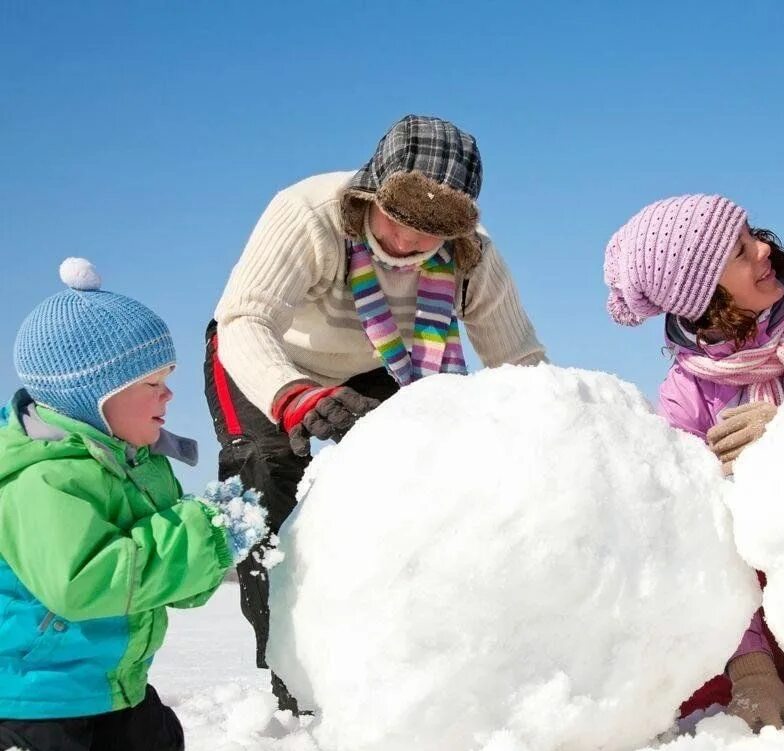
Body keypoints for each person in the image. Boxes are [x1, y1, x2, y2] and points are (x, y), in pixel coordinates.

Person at [205, 115, 547, 711]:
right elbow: (246, 323)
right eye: (399, 220)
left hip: (381, 359)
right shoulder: (308, 215)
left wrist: (555, 433)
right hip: (271, 356)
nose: (411, 243)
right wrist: (294, 397)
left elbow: (521, 361)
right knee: (270, 488)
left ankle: (408, 657)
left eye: (430, 233)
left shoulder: (472, 257)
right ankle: (293, 680)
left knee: (420, 487)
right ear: (371, 192)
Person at [0, 260, 266, 751]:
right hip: (31, 690)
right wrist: (202, 534)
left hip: (107, 681)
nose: (169, 396)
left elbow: (167, 580)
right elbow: (85, 582)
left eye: (167, 380)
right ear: (91, 396)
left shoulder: (140, 466)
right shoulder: (45, 481)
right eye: (152, 383)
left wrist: (211, 549)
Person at [604, 194, 784, 729]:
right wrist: (751, 667)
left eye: (751, 233)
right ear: (708, 297)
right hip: (758, 596)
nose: (764, 249)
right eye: (740, 251)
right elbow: (698, 538)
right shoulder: (685, 395)